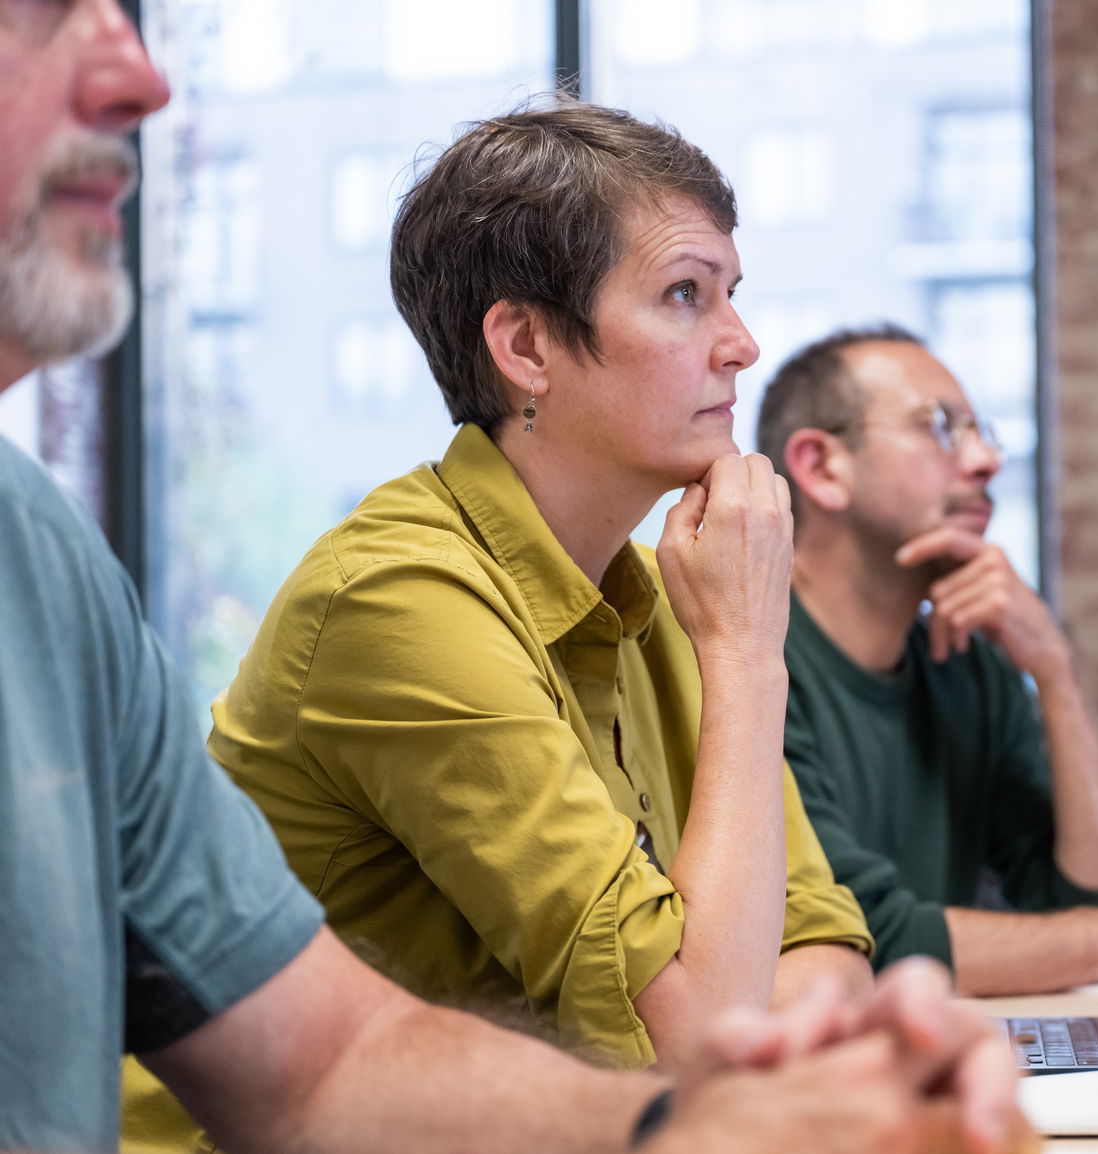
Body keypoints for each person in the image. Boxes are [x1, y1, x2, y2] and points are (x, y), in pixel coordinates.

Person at [0, 4, 1026, 1152]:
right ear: (526, 347)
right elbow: (695, 1035)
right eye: (689, 293)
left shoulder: (666, 588)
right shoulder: (402, 597)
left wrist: (790, 1086)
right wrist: (747, 658)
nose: (741, 342)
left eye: (732, 293)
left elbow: (817, 943)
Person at [757, 325, 1098, 995]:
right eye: (939, 427)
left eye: (982, 432)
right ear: (820, 467)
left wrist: (1053, 669)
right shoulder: (749, 662)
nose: (986, 459)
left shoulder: (968, 667)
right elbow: (870, 939)